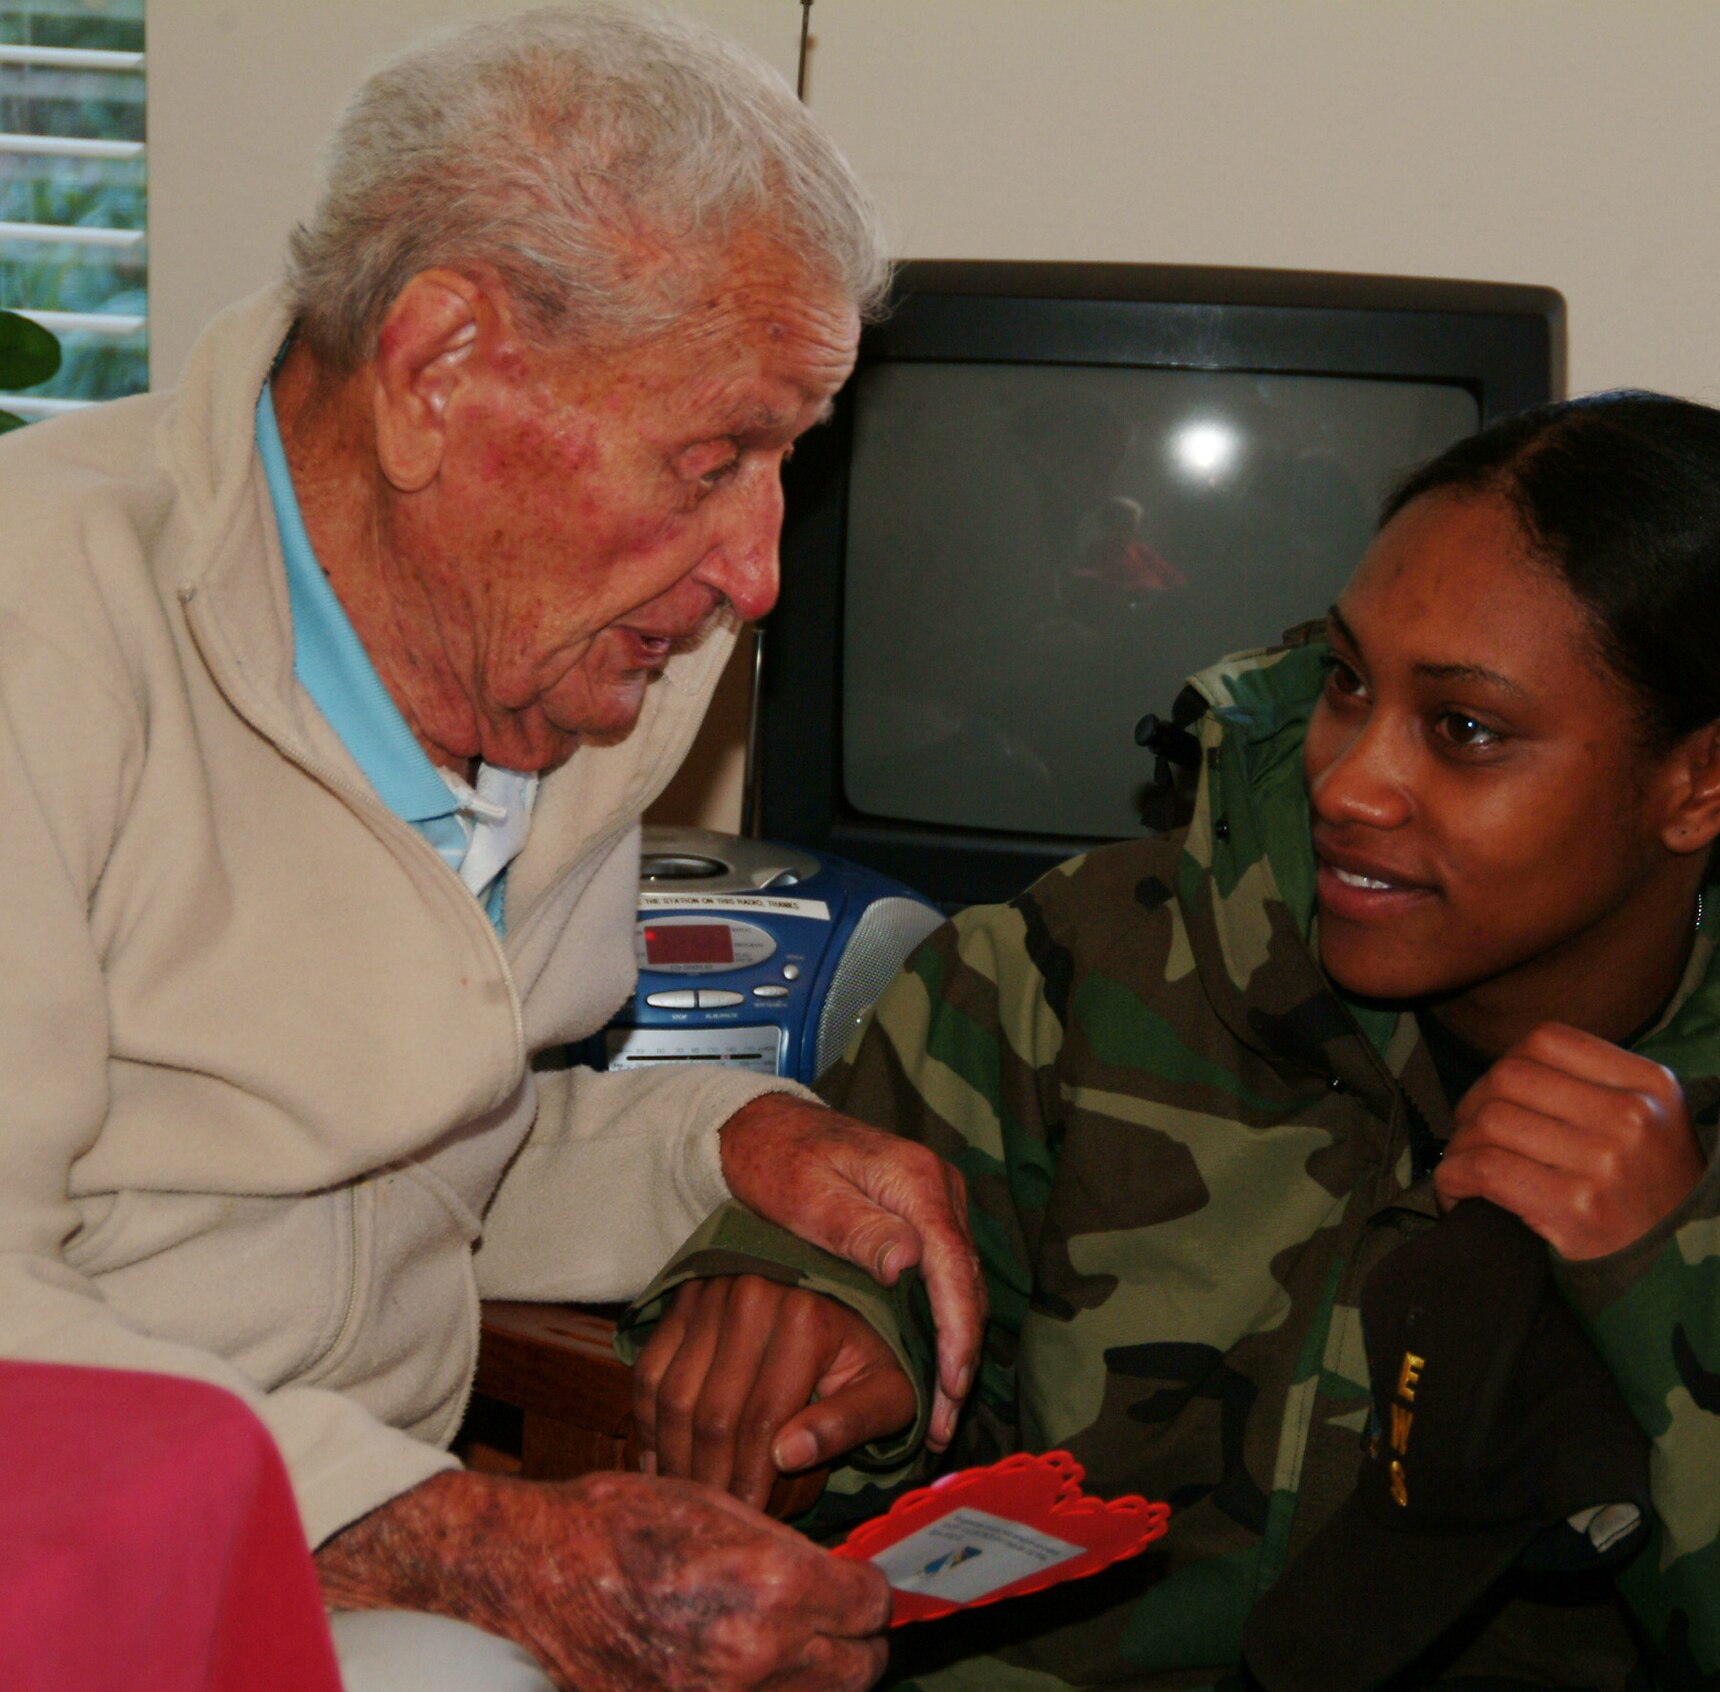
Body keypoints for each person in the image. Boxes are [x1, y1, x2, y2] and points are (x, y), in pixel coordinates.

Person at [623, 392, 1720, 1687]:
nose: (1350, 782)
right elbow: (838, 1468)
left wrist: (1699, 1274)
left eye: (1464, 730)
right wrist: (809, 1300)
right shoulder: (1069, 975)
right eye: (1347, 683)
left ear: (1704, 777)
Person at [0, 9, 988, 1690]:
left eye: (788, 463)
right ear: (440, 368)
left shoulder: (571, 665)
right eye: (716, 455)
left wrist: (715, 1145)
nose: (758, 570)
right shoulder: (41, 631)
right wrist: (471, 1548)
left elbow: (394, 1157)